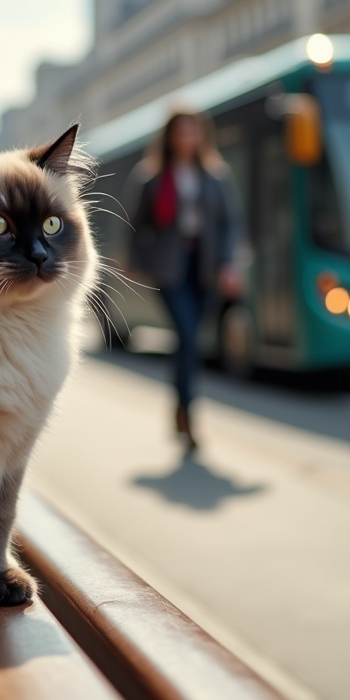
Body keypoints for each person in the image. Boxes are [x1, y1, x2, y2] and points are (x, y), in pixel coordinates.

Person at [128, 109, 243, 451]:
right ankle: (189, 417)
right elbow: (137, 225)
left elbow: (230, 224)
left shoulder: (216, 176)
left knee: (189, 341)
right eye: (181, 131)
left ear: (201, 135)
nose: (187, 137)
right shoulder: (152, 177)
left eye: (193, 130)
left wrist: (230, 265)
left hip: (205, 266)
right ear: (170, 136)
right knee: (189, 336)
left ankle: (180, 408)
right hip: (170, 268)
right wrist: (137, 262)